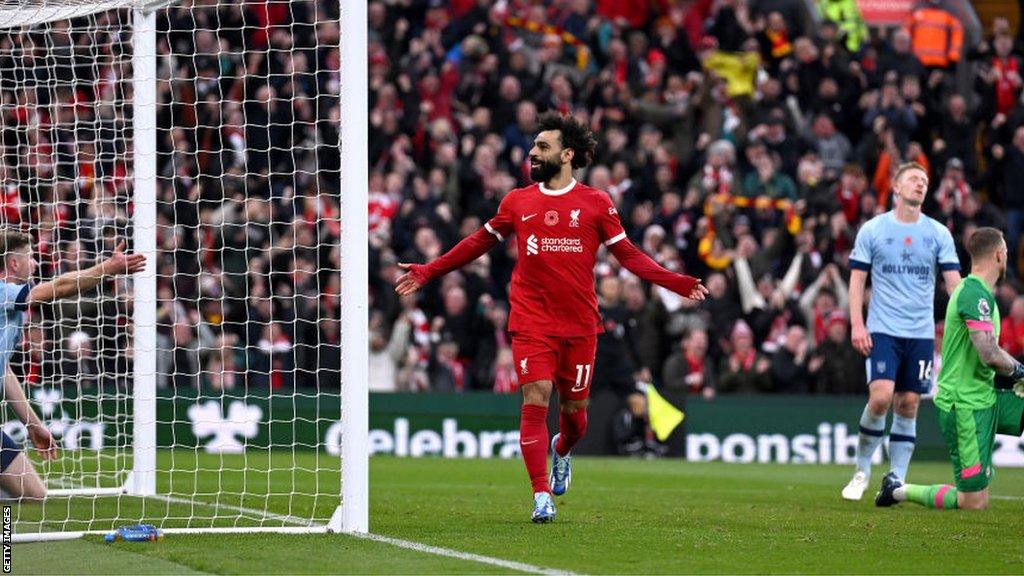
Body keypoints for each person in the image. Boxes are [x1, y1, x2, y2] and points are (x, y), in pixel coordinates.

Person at [395, 113, 709, 523]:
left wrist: (677, 283)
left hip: (580, 326)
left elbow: (629, 255)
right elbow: (476, 243)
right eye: (533, 145)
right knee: (536, 395)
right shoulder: (517, 201)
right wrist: (429, 270)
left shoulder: (596, 204)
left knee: (576, 418)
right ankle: (540, 494)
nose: (532, 152)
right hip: (531, 321)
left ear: (566, 154)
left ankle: (562, 449)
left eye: (542, 146)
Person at [876, 227, 1024, 509]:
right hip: (964, 405)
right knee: (972, 502)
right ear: (999, 255)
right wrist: (1019, 372)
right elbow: (988, 353)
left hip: (983, 397)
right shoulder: (973, 295)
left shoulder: (979, 294)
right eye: (1005, 251)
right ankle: (896, 489)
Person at [841, 162, 962, 501]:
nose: (920, 184)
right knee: (880, 398)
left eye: (924, 180)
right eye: (913, 179)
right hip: (882, 329)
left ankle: (895, 480)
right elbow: (857, 279)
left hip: (921, 333)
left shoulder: (938, 233)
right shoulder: (874, 229)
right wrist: (857, 323)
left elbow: (954, 284)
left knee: (908, 403)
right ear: (896, 186)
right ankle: (862, 470)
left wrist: (972, 312)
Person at [0, 230, 145, 500]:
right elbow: (59, 288)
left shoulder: (13, 312)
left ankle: (6, 540)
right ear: (13, 264)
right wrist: (108, 268)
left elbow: (3, 372)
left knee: (33, 494)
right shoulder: (3, 293)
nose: (34, 263)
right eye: (30, 257)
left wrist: (32, 425)